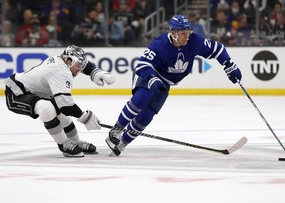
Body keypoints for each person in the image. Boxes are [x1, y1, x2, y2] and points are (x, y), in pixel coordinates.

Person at [105, 15, 242, 156]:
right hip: (149, 75)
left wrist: (229, 65)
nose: (187, 37)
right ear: (173, 33)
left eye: (188, 32)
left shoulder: (194, 41)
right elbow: (142, 65)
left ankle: (122, 143)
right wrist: (152, 79)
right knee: (142, 98)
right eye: (183, 33)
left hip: (165, 83)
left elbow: (217, 49)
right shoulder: (159, 44)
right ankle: (117, 130)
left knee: (146, 116)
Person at [4, 45, 115, 157]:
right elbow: (66, 106)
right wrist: (85, 117)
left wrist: (94, 72)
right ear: (69, 61)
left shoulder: (63, 61)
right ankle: (64, 145)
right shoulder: (59, 71)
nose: (80, 69)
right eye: (78, 65)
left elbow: (65, 108)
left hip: (35, 92)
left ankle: (75, 142)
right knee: (46, 109)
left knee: (62, 114)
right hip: (16, 93)